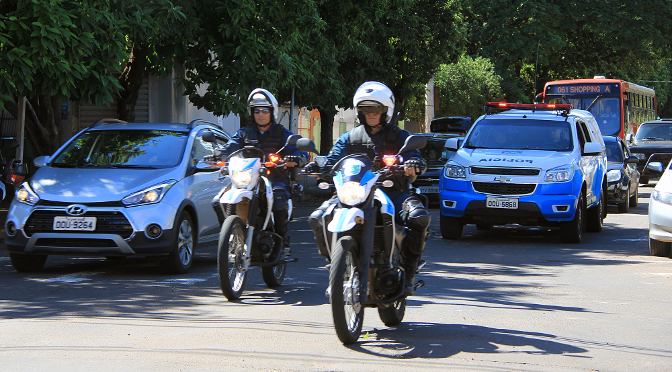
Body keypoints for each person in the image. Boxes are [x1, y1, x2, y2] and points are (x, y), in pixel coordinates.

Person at [306, 81, 431, 295]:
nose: (371, 113)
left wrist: (413, 164)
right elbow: (333, 158)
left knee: (418, 216)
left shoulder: (399, 136)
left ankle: (409, 272)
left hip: (393, 193)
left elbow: (414, 154)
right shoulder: (350, 137)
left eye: (376, 109)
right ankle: (334, 261)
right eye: (366, 109)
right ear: (359, 112)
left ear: (386, 111)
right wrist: (319, 166)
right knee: (317, 218)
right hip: (354, 193)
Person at [218, 88, 308, 245]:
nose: (260, 114)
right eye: (257, 110)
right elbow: (231, 146)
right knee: (219, 200)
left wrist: (297, 157)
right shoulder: (244, 133)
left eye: (264, 110)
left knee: (279, 202)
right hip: (247, 178)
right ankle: (234, 235)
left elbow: (298, 149)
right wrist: (219, 153)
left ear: (272, 112)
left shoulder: (281, 133)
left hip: (275, 178)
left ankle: (281, 241)